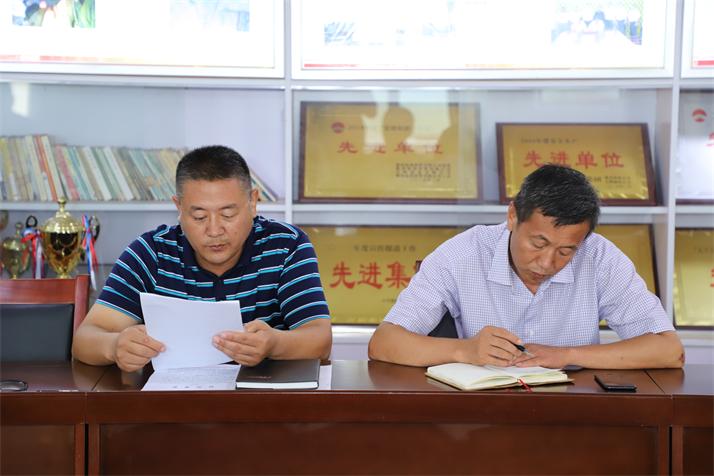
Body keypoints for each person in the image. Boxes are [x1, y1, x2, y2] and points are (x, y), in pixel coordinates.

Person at [369, 164, 683, 369]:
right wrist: (464, 350)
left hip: (570, 412)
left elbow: (669, 350)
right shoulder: (462, 254)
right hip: (478, 413)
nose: (547, 264)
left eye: (566, 251)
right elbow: (384, 342)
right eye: (538, 243)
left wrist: (566, 355)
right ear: (512, 216)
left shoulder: (600, 259)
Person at [73, 145, 331, 371]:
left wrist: (274, 344)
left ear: (253, 202)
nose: (214, 230)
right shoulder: (151, 253)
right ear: (179, 208)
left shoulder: (286, 245)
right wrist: (115, 345)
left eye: (228, 214)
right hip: (173, 400)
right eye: (199, 217)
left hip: (265, 398)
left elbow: (320, 340)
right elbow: (85, 339)